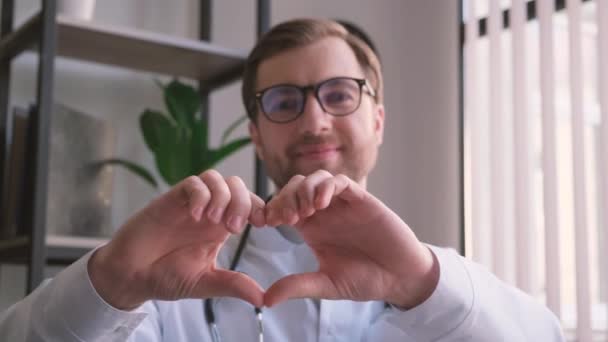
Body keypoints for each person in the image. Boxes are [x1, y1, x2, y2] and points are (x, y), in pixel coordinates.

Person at [0, 18, 564, 341]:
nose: (314, 120)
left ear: (378, 119)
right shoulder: (171, 284)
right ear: (256, 132)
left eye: (339, 94)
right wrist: (111, 283)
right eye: (284, 101)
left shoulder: (435, 284)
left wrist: (422, 282)